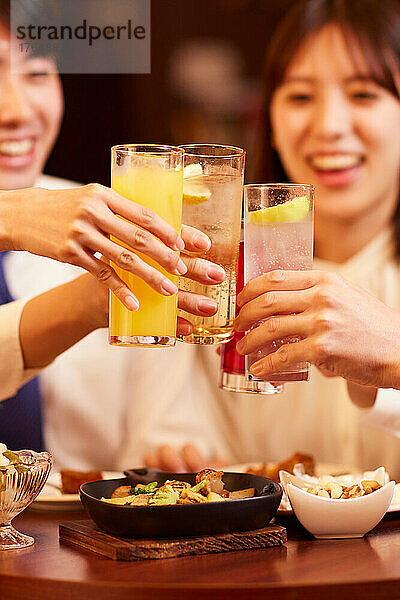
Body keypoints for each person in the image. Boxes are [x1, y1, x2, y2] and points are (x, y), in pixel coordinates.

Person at [144, 0, 400, 477]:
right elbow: (175, 433)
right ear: (272, 124)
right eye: (301, 98)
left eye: (364, 95)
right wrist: (181, 458)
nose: (329, 127)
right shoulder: (215, 274)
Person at [0, 2, 226, 464]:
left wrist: (164, 457)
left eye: (38, 72)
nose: (18, 109)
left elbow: (160, 428)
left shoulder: (115, 228)